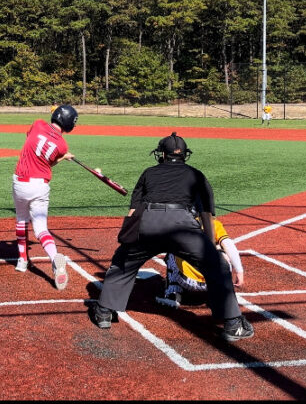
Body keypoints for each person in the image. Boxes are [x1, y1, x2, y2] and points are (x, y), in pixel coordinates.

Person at [90, 132, 254, 342]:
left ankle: (104, 311)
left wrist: (127, 243)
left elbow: (133, 213)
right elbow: (206, 215)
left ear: (162, 154)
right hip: (182, 226)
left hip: (148, 222)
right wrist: (209, 249)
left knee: (123, 262)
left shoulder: (149, 173)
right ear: (185, 155)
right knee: (218, 267)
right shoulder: (196, 175)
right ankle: (233, 324)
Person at [11, 105, 79, 291]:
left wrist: (62, 157)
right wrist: (63, 157)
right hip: (40, 185)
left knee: (21, 220)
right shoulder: (62, 145)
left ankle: (22, 261)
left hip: (21, 182)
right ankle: (54, 256)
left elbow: (35, 150)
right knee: (41, 228)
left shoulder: (38, 124)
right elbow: (47, 162)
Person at [157, 216, 245, 309]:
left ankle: (172, 294)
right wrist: (239, 271)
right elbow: (229, 245)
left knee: (171, 252)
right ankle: (218, 295)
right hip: (211, 281)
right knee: (221, 250)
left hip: (186, 281)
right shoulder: (214, 223)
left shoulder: (179, 222)